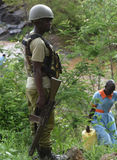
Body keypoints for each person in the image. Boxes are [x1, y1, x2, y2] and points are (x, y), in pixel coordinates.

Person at [22, 4, 63, 160]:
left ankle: (40, 154)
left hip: (33, 85)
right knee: (46, 122)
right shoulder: (38, 43)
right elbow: (37, 69)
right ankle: (46, 155)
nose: (49, 24)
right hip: (41, 86)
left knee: (37, 121)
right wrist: (41, 95)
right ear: (37, 22)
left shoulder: (29, 37)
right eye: (47, 21)